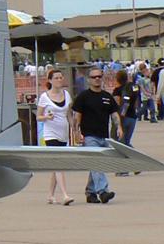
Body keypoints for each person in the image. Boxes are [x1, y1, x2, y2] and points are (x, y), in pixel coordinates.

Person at [72, 67, 122, 203]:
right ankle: (103, 191)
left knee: (97, 164)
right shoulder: (83, 97)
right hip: (89, 136)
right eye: (94, 77)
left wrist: (119, 128)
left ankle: (90, 192)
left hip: (104, 136)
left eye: (99, 76)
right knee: (97, 162)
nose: (97, 79)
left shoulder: (107, 96)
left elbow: (114, 114)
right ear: (89, 80)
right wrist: (76, 133)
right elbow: (77, 116)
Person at [36, 69, 74, 205]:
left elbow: (69, 114)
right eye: (56, 78)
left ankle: (50, 195)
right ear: (50, 80)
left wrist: (75, 128)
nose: (59, 80)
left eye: (60, 78)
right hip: (50, 134)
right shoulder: (44, 97)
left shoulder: (67, 95)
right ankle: (65, 195)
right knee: (59, 163)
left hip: (63, 133)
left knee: (55, 166)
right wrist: (46, 117)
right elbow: (38, 116)